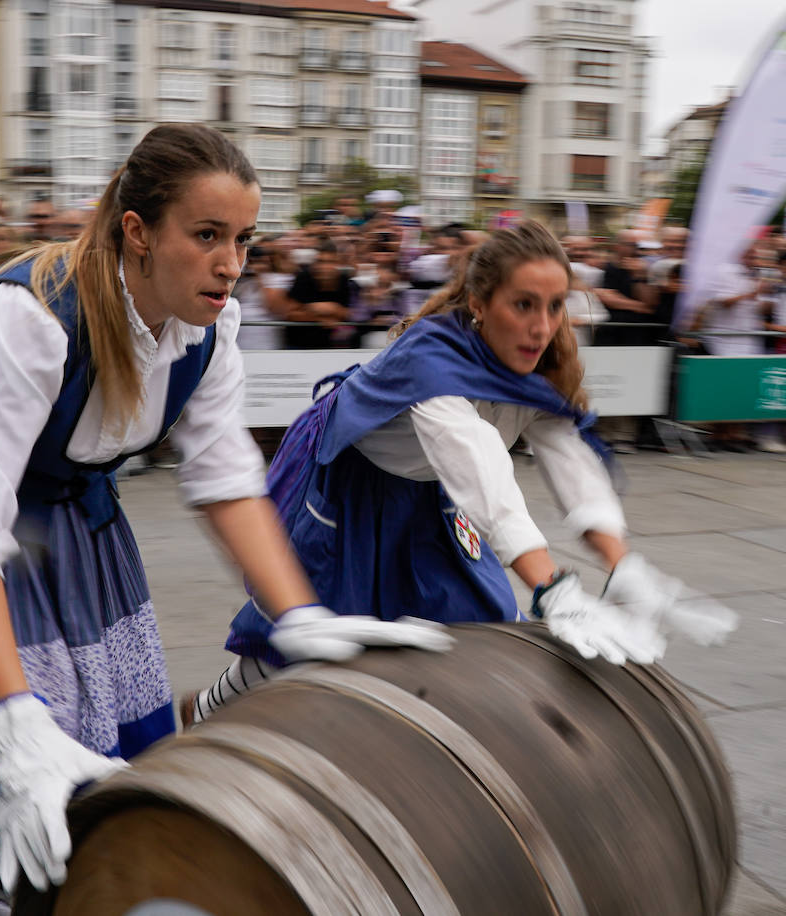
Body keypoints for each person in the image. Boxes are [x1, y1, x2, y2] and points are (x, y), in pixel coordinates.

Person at [0, 124, 447, 916]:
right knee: (0, 746)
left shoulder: (212, 332)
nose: (232, 264)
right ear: (138, 233)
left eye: (244, 239)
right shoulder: (32, 316)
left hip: (69, 503)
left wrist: (300, 614)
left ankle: (63, 876)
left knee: (98, 733)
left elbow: (225, 480)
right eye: (207, 235)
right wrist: (11, 724)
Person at [189, 222, 738, 723]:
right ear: (479, 302)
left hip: (434, 492)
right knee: (316, 630)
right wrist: (555, 588)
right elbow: (481, 465)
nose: (541, 326)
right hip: (353, 483)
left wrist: (626, 568)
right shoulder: (430, 359)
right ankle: (213, 707)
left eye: (554, 306)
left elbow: (569, 460)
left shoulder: (540, 363)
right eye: (523, 305)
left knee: (482, 622)